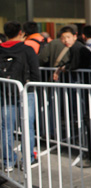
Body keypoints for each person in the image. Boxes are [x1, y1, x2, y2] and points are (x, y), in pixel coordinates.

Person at [0, 21, 40, 171]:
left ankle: (8, 162)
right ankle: (28, 159)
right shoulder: (27, 49)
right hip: (25, 90)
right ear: (21, 33)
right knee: (27, 126)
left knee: (6, 128)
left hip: (5, 92)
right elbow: (35, 72)